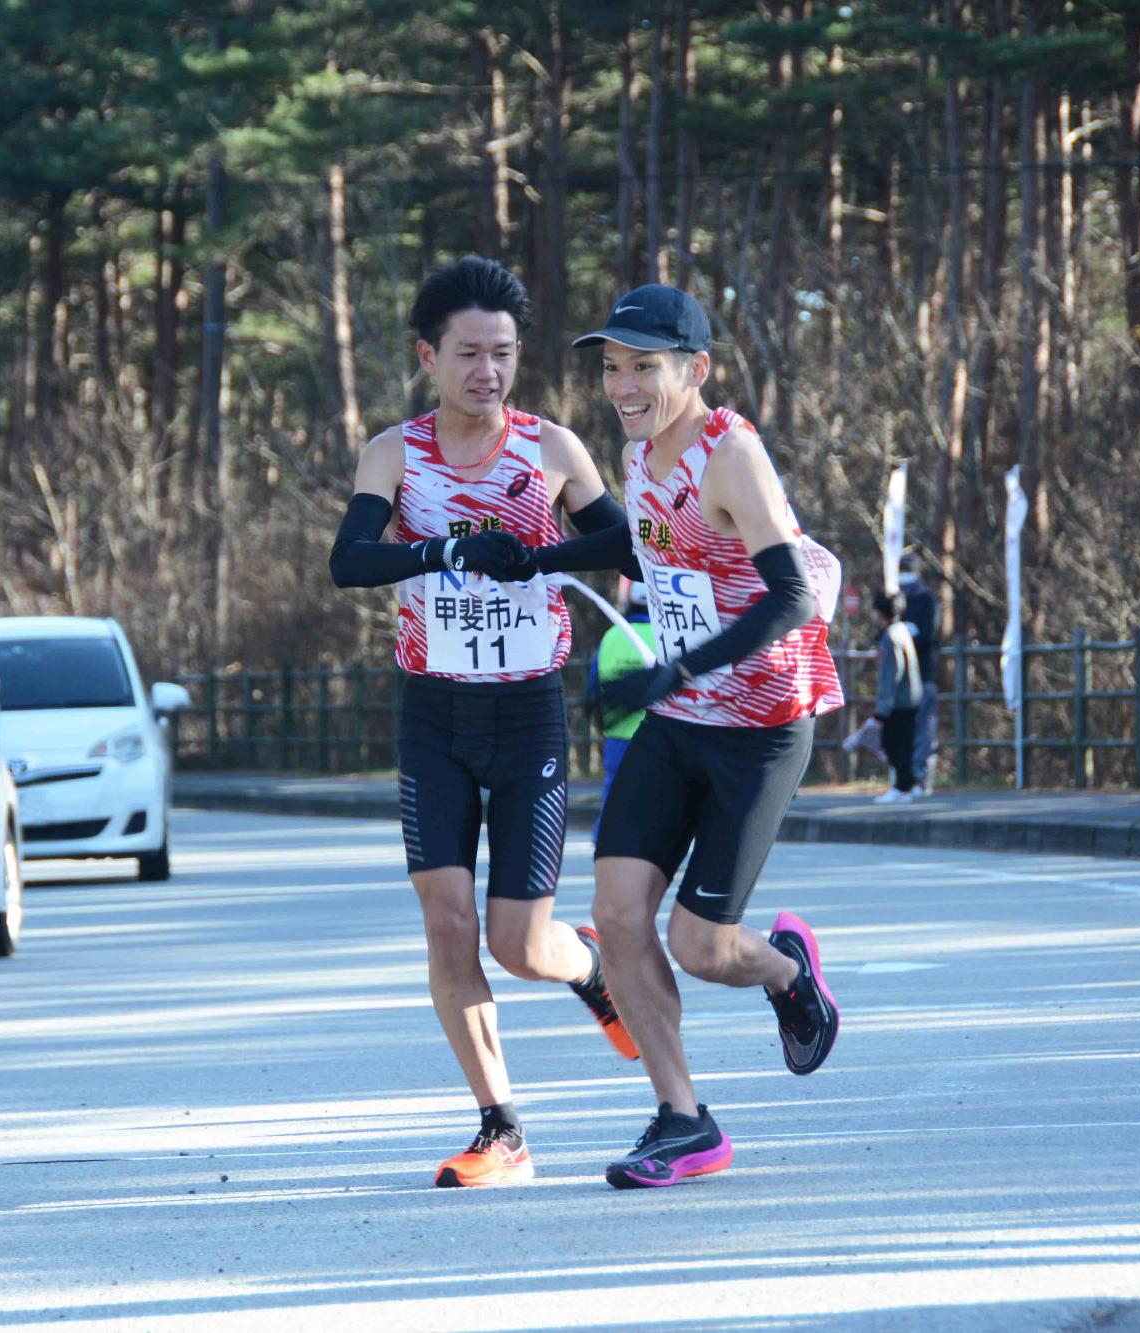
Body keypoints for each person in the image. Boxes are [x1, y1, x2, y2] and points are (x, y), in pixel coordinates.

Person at [515, 283, 845, 1190]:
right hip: (679, 715)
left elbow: (792, 596)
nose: (622, 384)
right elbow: (647, 552)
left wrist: (683, 665)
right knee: (617, 914)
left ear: (695, 370)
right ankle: (683, 1118)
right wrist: (535, 554)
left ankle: (785, 973)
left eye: (643, 367)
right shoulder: (640, 450)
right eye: (613, 366)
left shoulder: (730, 453)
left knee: (704, 948)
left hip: (761, 725)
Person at [327, 256, 638, 1190]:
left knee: (516, 940)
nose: (488, 373)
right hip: (432, 713)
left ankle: (583, 965)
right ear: (429, 356)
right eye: (468, 354)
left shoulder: (551, 449)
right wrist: (451, 546)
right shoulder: (395, 452)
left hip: (529, 713)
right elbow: (350, 560)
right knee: (447, 922)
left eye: (503, 354)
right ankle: (501, 1127)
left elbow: (623, 540)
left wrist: (536, 555)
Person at [584, 578, 655, 840]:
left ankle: (604, 841)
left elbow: (593, 687)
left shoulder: (612, 636)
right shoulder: (665, 634)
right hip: (657, 734)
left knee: (614, 794)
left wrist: (601, 727)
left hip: (617, 734)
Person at [871, 591, 924, 804]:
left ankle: (902, 787)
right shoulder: (903, 630)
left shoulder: (890, 636)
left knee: (893, 744)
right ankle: (909, 784)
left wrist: (882, 708)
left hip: (897, 702)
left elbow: (890, 674)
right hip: (911, 697)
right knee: (907, 744)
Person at [898, 555, 940, 795]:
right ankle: (904, 777)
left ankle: (921, 777)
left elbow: (928, 636)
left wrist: (907, 633)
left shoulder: (926, 599)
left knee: (923, 727)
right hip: (902, 676)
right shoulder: (894, 597)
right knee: (904, 728)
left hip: (923, 673)